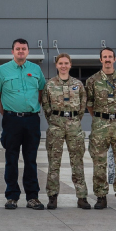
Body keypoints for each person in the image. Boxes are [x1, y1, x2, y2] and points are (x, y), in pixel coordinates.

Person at [0, 39, 46, 210]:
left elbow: (41, 92)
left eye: (23, 49)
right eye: (17, 49)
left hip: (31, 120)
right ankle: (12, 196)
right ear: (12, 51)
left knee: (31, 159)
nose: (20, 51)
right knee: (11, 159)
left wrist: (30, 108)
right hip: (12, 120)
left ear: (28, 51)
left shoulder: (35, 69)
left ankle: (32, 197)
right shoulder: (2, 70)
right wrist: (7, 114)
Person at [86, 47, 116, 210]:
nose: (107, 59)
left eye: (110, 57)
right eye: (104, 57)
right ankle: (100, 196)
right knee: (99, 162)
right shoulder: (92, 80)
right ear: (100, 60)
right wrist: (102, 117)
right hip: (100, 124)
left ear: (114, 59)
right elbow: (89, 104)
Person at [42, 53, 89, 210]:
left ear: (70, 65)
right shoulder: (50, 85)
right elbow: (46, 105)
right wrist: (55, 120)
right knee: (54, 162)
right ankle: (52, 196)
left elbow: (83, 106)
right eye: (60, 63)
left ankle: (82, 197)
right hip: (56, 124)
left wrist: (74, 120)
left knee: (77, 161)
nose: (63, 66)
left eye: (66, 63)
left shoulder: (78, 84)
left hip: (74, 125)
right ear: (56, 65)